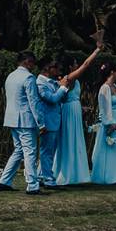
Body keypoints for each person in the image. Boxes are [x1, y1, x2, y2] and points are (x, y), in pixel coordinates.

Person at [0, 51, 47, 195]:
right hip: (25, 120)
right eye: (32, 62)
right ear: (27, 62)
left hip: (12, 119)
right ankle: (32, 186)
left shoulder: (10, 76)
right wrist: (41, 123)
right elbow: (34, 102)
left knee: (18, 150)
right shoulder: (29, 77)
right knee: (29, 152)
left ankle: (4, 181)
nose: (33, 66)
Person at [53, 44, 102, 185]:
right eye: (75, 63)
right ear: (70, 67)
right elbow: (86, 64)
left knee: (73, 139)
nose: (77, 65)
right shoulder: (69, 78)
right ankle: (68, 173)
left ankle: (74, 171)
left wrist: (82, 108)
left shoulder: (70, 80)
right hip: (69, 113)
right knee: (69, 139)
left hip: (74, 111)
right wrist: (97, 50)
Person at [35, 57, 71, 190]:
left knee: (49, 150)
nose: (58, 71)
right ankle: (49, 180)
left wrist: (64, 87)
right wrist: (61, 88)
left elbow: (62, 98)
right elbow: (52, 99)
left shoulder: (52, 82)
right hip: (47, 121)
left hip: (54, 121)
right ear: (48, 69)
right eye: (56, 68)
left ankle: (41, 177)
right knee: (47, 151)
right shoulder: (40, 83)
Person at [91, 62, 116, 185]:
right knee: (107, 147)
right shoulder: (105, 88)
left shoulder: (115, 86)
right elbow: (104, 107)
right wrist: (110, 123)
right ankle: (106, 176)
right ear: (112, 72)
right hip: (109, 121)